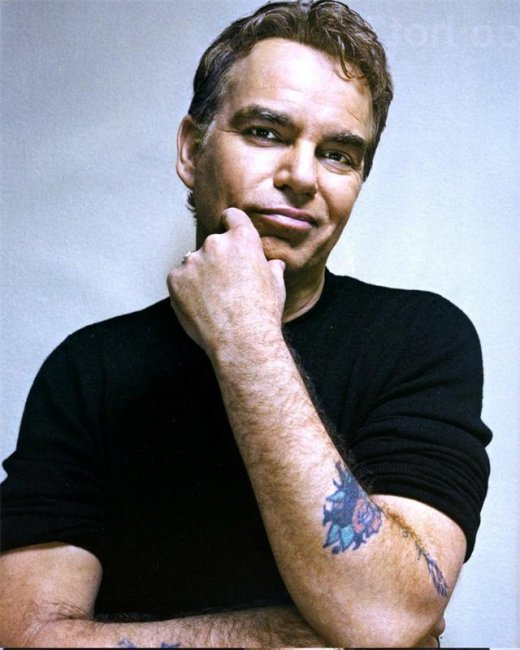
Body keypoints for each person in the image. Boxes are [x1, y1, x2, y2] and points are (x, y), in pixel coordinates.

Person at [0, 0, 492, 647]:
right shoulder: (88, 369)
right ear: (191, 149)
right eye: (265, 132)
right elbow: (26, 635)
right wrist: (289, 639)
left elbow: (387, 616)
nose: (301, 177)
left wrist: (247, 340)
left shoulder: (422, 338)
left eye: (339, 154)